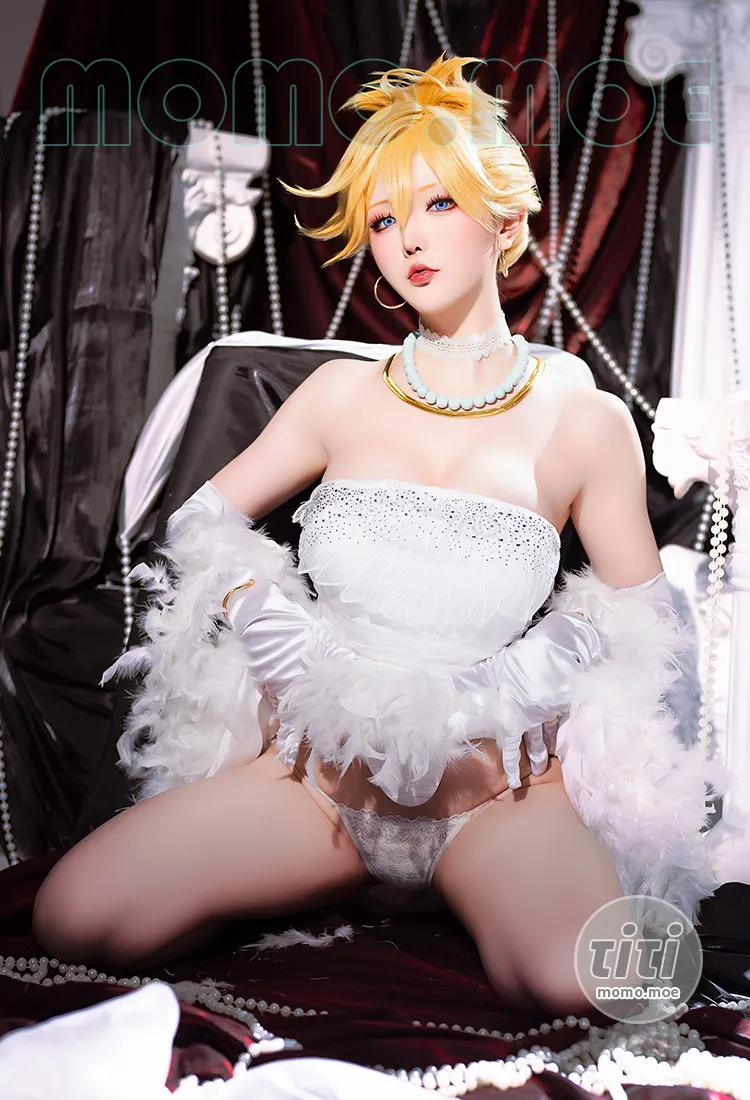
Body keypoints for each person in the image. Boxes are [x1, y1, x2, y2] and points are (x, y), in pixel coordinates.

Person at [32, 55, 722, 1015]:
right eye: (386, 219)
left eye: (438, 204)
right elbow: (199, 521)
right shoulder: (340, 395)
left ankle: (480, 897)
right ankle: (300, 885)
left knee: (605, 982)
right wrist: (267, 621)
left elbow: (650, 623)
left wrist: (545, 668)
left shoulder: (582, 419)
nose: (408, 240)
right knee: (73, 916)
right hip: (317, 793)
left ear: (505, 222)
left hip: (496, 803)